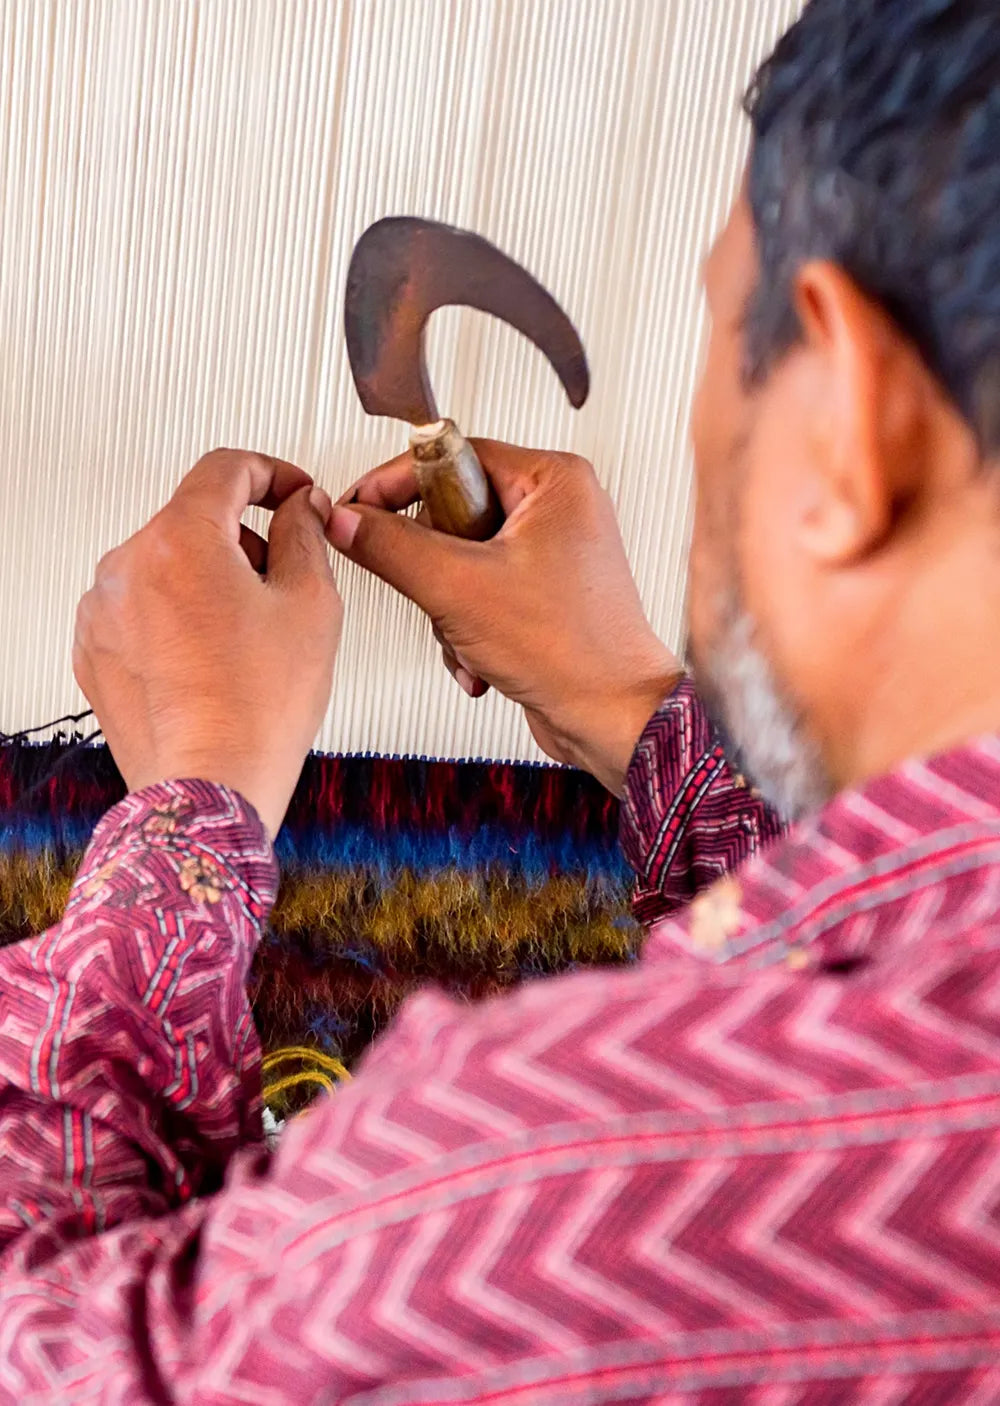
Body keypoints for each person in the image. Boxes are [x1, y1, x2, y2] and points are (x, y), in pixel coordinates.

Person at [3, 0, 1000, 1399]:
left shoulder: (539, 1190)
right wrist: (650, 719)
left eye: (720, 336)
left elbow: (41, 1345)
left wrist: (191, 803)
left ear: (856, 419)